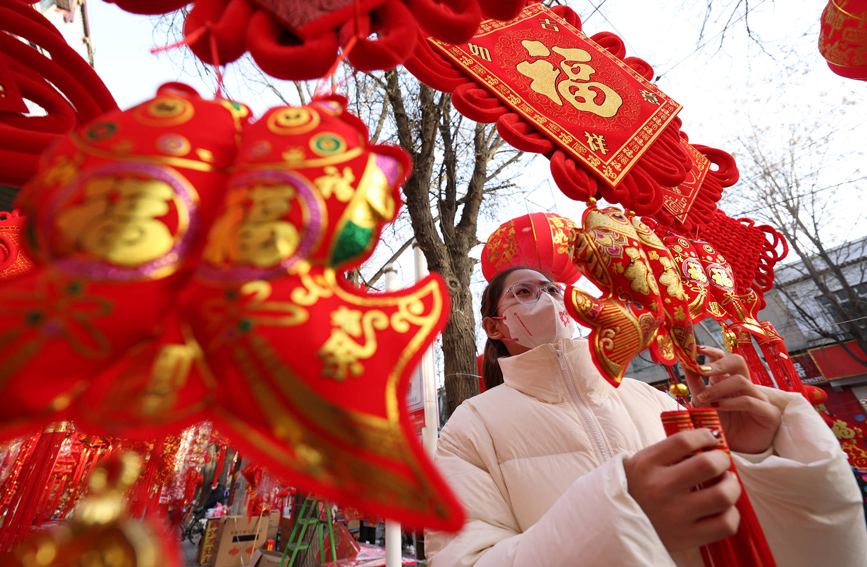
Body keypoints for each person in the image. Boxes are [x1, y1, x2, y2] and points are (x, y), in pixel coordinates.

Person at [424, 267, 867, 567]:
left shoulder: (657, 402)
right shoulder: (470, 426)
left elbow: (744, 535)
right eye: (524, 292)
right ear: (496, 326)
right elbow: (465, 558)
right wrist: (623, 521)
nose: (548, 298)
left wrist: (753, 457)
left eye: (553, 288)